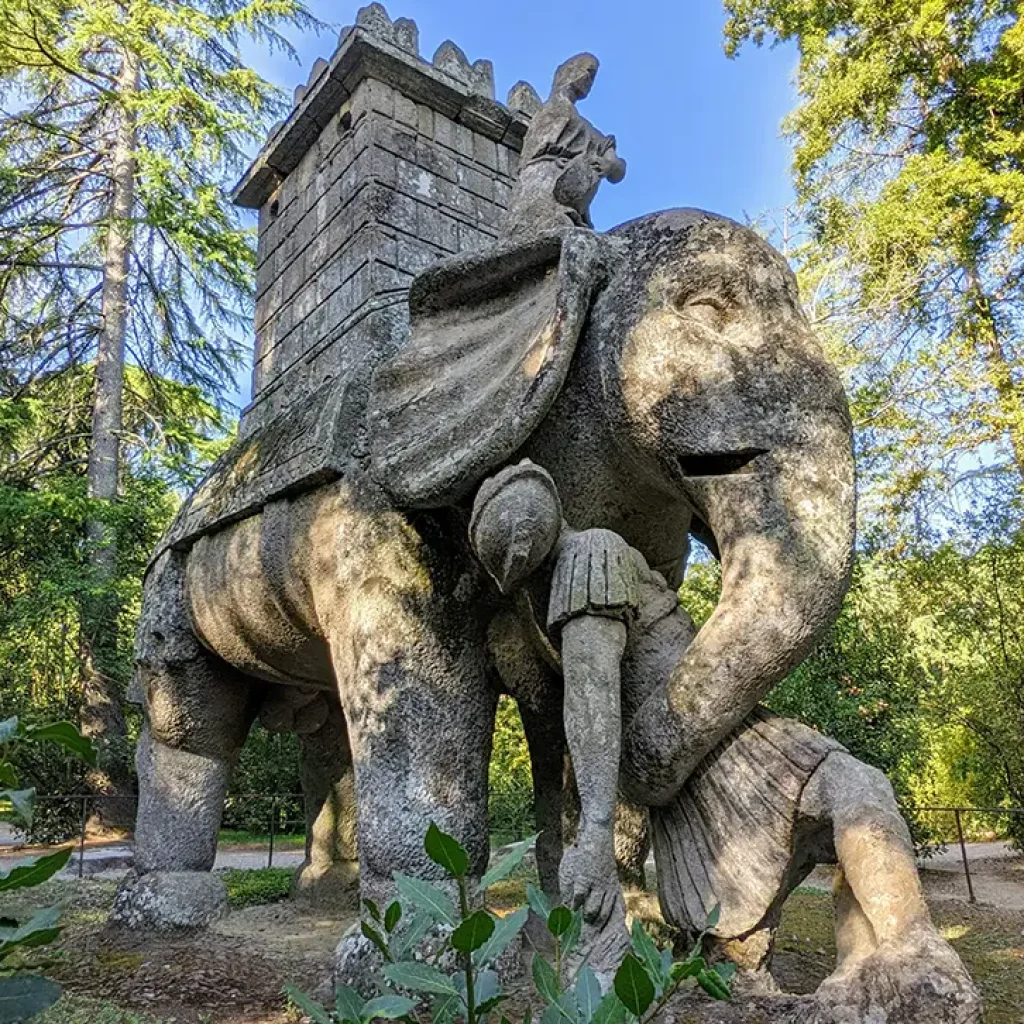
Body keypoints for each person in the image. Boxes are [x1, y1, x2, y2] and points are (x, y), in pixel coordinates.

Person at [469, 460, 974, 1007]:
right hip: (691, 753)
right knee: (853, 791)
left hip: (720, 733)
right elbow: (590, 700)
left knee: (854, 793)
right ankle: (903, 954)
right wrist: (594, 831)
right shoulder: (586, 560)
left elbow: (591, 701)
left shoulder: (591, 552)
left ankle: (888, 956)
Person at [501, 53, 626, 237]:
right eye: (588, 72)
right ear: (569, 71)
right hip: (540, 188)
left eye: (593, 77)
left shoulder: (587, 129)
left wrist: (610, 165)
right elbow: (530, 161)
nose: (589, 81)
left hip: (570, 198)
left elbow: (617, 168)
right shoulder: (551, 111)